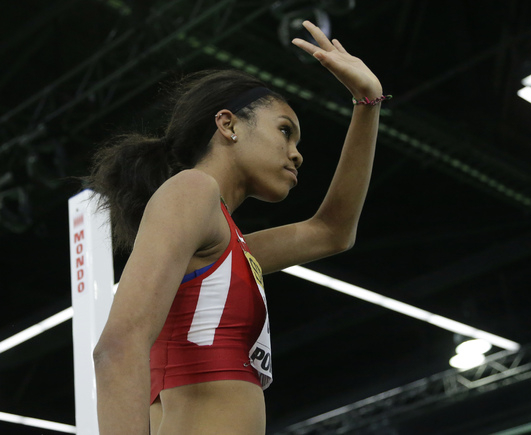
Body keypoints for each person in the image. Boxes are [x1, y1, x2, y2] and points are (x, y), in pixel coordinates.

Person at [90, 21, 386, 435]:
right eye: (285, 131)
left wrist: (367, 102)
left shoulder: (232, 246)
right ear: (228, 125)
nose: (297, 155)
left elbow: (333, 232)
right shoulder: (192, 190)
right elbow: (117, 349)